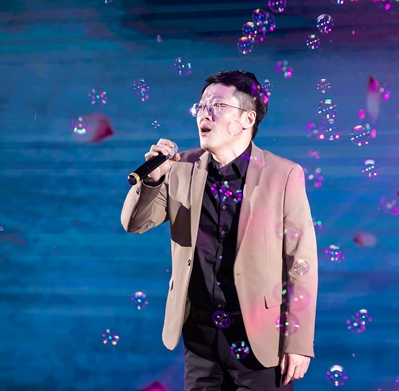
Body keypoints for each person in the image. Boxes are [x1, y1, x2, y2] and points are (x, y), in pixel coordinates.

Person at [121, 70, 318, 390]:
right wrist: (153, 181)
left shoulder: (283, 174)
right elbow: (134, 223)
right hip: (200, 339)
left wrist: (298, 341)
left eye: (217, 106)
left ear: (247, 118)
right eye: (201, 106)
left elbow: (301, 263)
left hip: (260, 338)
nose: (205, 113)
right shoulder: (180, 168)